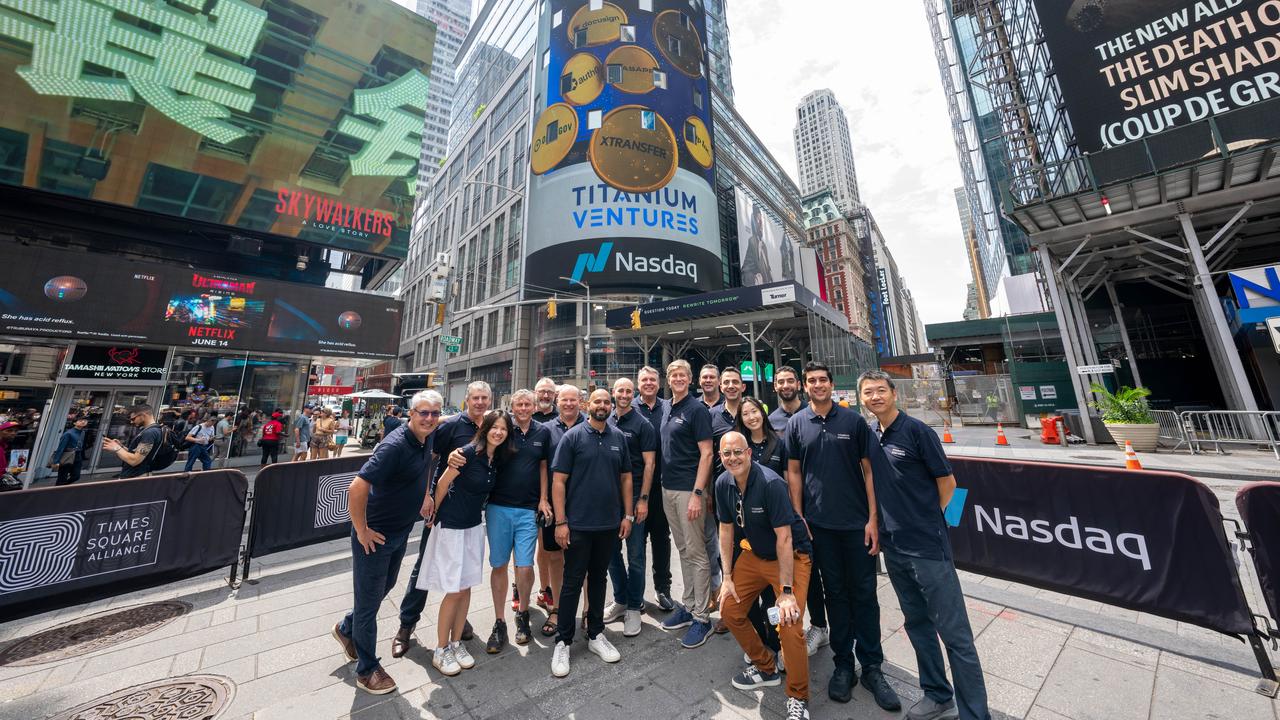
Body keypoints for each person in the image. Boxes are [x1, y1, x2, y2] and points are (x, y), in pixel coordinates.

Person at [860, 370, 990, 720]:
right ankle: (936, 694)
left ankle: (975, 713)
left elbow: (949, 484)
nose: (875, 397)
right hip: (894, 549)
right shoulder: (871, 434)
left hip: (928, 549)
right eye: (868, 392)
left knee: (956, 636)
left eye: (881, 391)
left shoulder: (918, 432)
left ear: (893, 394)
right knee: (917, 624)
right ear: (862, 399)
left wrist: (937, 526)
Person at [785, 361, 899, 709]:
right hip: (820, 528)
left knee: (864, 594)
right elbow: (793, 473)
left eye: (823, 380)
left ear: (831, 385)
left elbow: (869, 473)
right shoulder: (796, 424)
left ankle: (873, 667)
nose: (818, 385)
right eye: (812, 380)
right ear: (805, 387)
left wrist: (873, 518)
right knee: (834, 594)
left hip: (857, 526)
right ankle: (844, 664)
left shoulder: (853, 422)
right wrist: (799, 516)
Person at [332, 390, 443, 695]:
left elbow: (427, 465)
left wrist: (424, 494)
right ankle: (367, 670)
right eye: (423, 413)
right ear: (411, 413)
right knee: (369, 603)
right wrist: (362, 529)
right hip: (376, 536)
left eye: (435, 413)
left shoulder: (428, 435)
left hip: (400, 530)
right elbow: (357, 487)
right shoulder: (394, 445)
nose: (430, 418)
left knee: (385, 587)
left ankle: (346, 628)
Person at [716, 432, 813, 720]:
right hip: (754, 555)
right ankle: (765, 664)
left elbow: (784, 539)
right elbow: (725, 530)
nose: (732, 458)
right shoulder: (723, 483)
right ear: (721, 458)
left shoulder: (771, 483)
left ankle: (798, 696)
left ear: (748, 453)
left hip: (791, 557)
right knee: (729, 608)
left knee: (790, 622)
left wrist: (785, 592)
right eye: (726, 454)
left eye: (737, 452)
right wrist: (727, 576)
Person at [392, 381, 491, 657]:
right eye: (475, 398)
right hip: (443, 508)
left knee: (464, 571)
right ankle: (406, 625)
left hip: (471, 511)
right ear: (466, 401)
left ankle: (458, 619)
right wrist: (427, 495)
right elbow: (429, 459)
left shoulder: (489, 427)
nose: (480, 402)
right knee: (424, 563)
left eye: (485, 398)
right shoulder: (451, 426)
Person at [449, 389, 550, 652]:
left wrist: (543, 498)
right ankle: (499, 620)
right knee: (499, 565)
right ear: (512, 407)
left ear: (534, 405)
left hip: (528, 510)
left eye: (528, 404)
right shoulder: (504, 430)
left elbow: (543, 465)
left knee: (525, 567)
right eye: (519, 404)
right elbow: (480, 446)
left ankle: (523, 614)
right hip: (498, 509)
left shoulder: (543, 432)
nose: (524, 408)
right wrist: (454, 455)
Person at [549, 388, 633, 678]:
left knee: (598, 579)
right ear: (588, 405)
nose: (602, 405)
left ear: (611, 406)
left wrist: (628, 514)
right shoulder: (573, 437)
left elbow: (625, 478)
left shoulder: (618, 437)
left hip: (609, 524)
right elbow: (558, 481)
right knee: (572, 581)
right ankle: (563, 640)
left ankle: (596, 633)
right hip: (578, 525)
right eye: (597, 401)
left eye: (606, 402)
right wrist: (561, 522)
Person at [421, 410, 508, 676]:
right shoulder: (468, 452)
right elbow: (443, 483)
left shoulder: (496, 459)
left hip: (473, 526)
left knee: (467, 585)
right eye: (495, 428)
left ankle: (457, 642)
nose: (499, 433)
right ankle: (441, 648)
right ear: (485, 429)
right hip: (452, 525)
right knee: (454, 589)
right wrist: (434, 510)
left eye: (504, 429)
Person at [769, 365, 830, 657]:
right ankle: (784, 630)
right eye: (780, 381)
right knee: (786, 573)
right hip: (783, 509)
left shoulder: (812, 414)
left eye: (790, 380)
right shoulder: (771, 421)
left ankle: (819, 626)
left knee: (814, 569)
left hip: (815, 505)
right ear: (775, 387)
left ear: (799, 385)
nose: (785, 385)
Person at [658, 359, 717, 648]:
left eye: (683, 375)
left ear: (690, 379)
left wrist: (697, 492)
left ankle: (702, 618)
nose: (678, 379)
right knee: (682, 549)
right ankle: (689, 604)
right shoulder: (668, 407)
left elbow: (707, 454)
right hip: (668, 489)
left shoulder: (696, 410)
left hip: (688, 491)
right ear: (668, 379)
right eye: (674, 375)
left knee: (697, 553)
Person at [605, 377, 656, 637]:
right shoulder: (607, 419)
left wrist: (643, 499)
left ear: (633, 393)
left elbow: (649, 465)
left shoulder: (642, 424)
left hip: (635, 497)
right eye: (620, 390)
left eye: (628, 390)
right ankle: (621, 599)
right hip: (609, 501)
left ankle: (635, 607)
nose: (624, 394)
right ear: (614, 393)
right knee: (612, 553)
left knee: (635, 554)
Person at [636, 366, 675, 611]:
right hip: (635, 488)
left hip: (663, 488)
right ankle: (636, 594)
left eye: (653, 380)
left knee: (661, 540)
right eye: (644, 380)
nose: (649, 383)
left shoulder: (669, 408)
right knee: (636, 544)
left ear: (659, 384)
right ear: (638, 383)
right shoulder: (627, 408)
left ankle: (663, 589)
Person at [101, 404, 165, 479]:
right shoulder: (152, 430)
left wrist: (116, 448)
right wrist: (121, 446)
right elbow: (137, 453)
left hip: (135, 477)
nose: (131, 422)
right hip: (136, 475)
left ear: (143, 415)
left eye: (133, 419)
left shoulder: (150, 433)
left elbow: (135, 460)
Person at [50, 416, 88, 486]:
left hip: (77, 456)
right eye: (80, 420)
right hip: (67, 455)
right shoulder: (68, 433)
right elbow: (61, 447)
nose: (83, 422)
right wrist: (56, 461)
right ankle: (58, 490)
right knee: (62, 477)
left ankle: (64, 486)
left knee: (76, 476)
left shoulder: (83, 432)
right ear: (74, 423)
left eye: (85, 420)